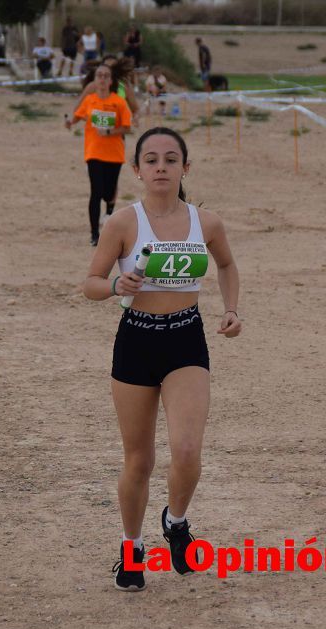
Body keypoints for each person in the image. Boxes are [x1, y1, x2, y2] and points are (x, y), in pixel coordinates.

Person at [82, 127, 241, 592]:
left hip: (185, 341)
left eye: (171, 160)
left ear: (184, 168)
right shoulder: (122, 223)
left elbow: (228, 265)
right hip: (136, 341)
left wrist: (230, 309)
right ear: (137, 170)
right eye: (151, 160)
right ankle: (131, 550)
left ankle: (175, 522)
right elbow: (90, 282)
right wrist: (116, 286)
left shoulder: (205, 222)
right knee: (139, 460)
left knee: (188, 451)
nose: (161, 168)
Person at [65, 64, 132, 247]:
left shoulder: (119, 102)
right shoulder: (89, 100)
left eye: (105, 76)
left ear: (110, 81)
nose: (102, 79)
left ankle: (109, 205)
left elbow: (127, 127)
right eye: (99, 75)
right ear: (95, 80)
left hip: (114, 154)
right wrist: (70, 122)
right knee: (95, 192)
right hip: (93, 152)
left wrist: (110, 131)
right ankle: (94, 233)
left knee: (108, 192)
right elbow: (78, 116)